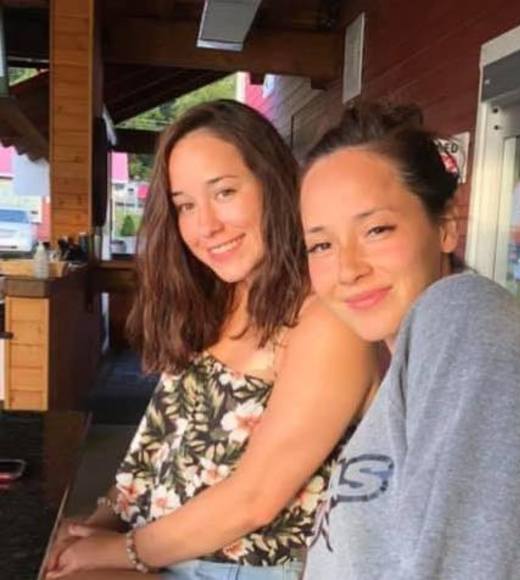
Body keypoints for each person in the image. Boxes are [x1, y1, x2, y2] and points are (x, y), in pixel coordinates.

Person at [46, 100, 379, 580]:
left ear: (275, 183)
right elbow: (155, 451)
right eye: (185, 205)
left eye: (224, 192)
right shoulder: (214, 301)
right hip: (155, 549)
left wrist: (120, 551)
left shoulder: (326, 321)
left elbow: (254, 499)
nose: (205, 226)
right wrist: (95, 526)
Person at [299, 102, 520, 579]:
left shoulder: (468, 318)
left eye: (376, 230)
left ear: (446, 226)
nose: (347, 269)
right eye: (321, 244)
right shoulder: (418, 360)